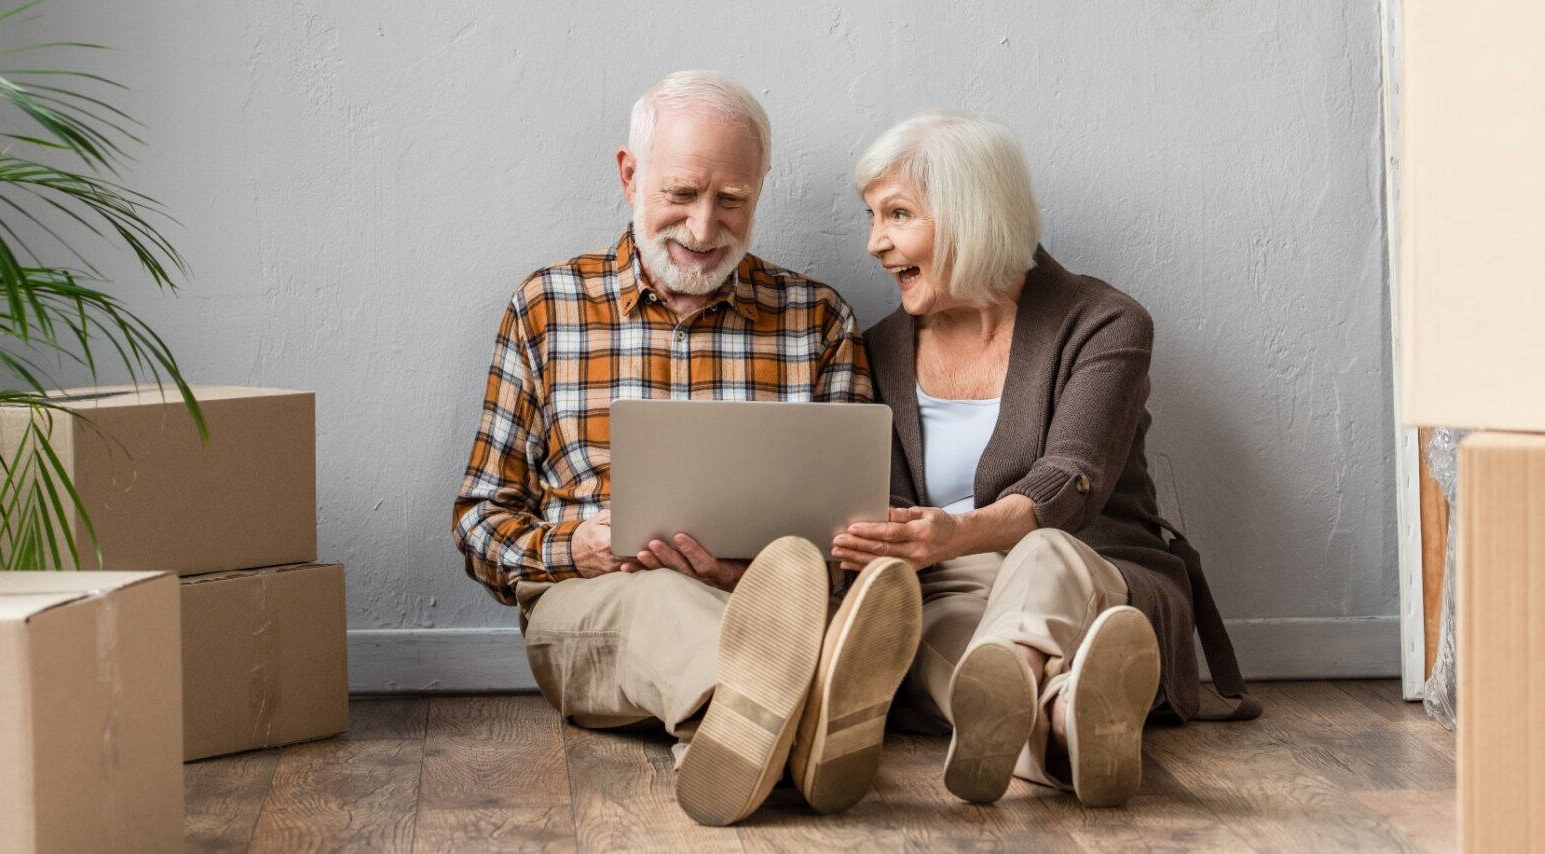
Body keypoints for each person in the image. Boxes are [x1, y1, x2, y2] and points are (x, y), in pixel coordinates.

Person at [452, 71, 921, 826]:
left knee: (794, 585)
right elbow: (478, 521)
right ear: (630, 175)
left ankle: (738, 730)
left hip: (768, 596)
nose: (704, 229)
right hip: (593, 606)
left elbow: (860, 518)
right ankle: (809, 707)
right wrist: (579, 548)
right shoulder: (545, 307)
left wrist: (755, 573)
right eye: (681, 194)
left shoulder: (817, 317)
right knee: (659, 598)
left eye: (732, 200)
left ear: (760, 189)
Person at [832, 111, 1261, 807]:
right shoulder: (878, 348)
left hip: (1102, 575)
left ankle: (1015, 679)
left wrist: (958, 533)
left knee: (1043, 553)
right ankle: (1062, 726)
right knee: (930, 623)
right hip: (955, 587)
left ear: (971, 214)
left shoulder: (1105, 322)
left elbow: (1072, 480)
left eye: (898, 214)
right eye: (872, 216)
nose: (875, 243)